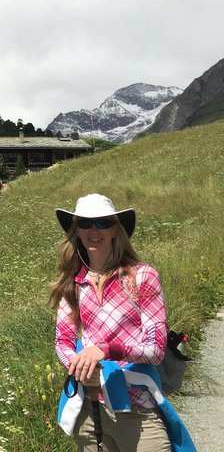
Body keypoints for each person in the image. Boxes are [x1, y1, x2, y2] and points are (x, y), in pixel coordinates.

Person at [49, 193, 195, 452]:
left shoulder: (142, 277)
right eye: (85, 223)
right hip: (88, 409)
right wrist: (77, 365)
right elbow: (62, 340)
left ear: (115, 229)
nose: (94, 230)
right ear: (77, 232)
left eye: (103, 223)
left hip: (137, 408)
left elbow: (156, 349)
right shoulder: (73, 281)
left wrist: (106, 349)